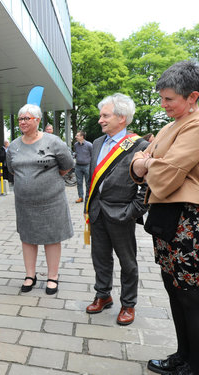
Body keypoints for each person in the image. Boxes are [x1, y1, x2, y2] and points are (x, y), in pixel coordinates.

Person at [131, 60, 199, 375]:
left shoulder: (195, 126)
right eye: (162, 98)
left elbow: (166, 174)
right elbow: (139, 162)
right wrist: (145, 162)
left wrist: (148, 162)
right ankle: (182, 355)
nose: (163, 105)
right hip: (167, 218)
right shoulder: (170, 126)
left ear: (192, 97)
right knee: (173, 288)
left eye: (170, 99)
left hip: (189, 221)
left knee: (190, 294)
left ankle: (194, 362)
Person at [85, 93, 148, 326]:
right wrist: (87, 208)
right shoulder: (98, 143)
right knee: (100, 258)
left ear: (122, 118)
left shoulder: (140, 145)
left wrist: (134, 210)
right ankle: (103, 295)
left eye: (105, 116)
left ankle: (128, 304)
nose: (100, 120)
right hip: (97, 212)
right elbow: (91, 180)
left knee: (127, 261)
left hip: (122, 214)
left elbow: (148, 184)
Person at [6, 104, 74, 294]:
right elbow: (12, 169)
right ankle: (30, 275)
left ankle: (53, 276)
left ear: (37, 120)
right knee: (27, 238)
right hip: (24, 204)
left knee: (52, 238)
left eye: (27, 118)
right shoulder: (14, 146)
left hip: (51, 202)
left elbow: (67, 165)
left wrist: (47, 182)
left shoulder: (53, 141)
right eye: (20, 119)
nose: (22, 122)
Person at [73, 130, 92, 203]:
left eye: (77, 135)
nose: (75, 137)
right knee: (79, 182)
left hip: (87, 166)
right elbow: (76, 153)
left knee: (88, 183)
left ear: (82, 137)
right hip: (78, 166)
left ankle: (88, 197)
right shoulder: (75, 145)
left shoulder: (89, 145)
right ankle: (80, 197)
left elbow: (93, 155)